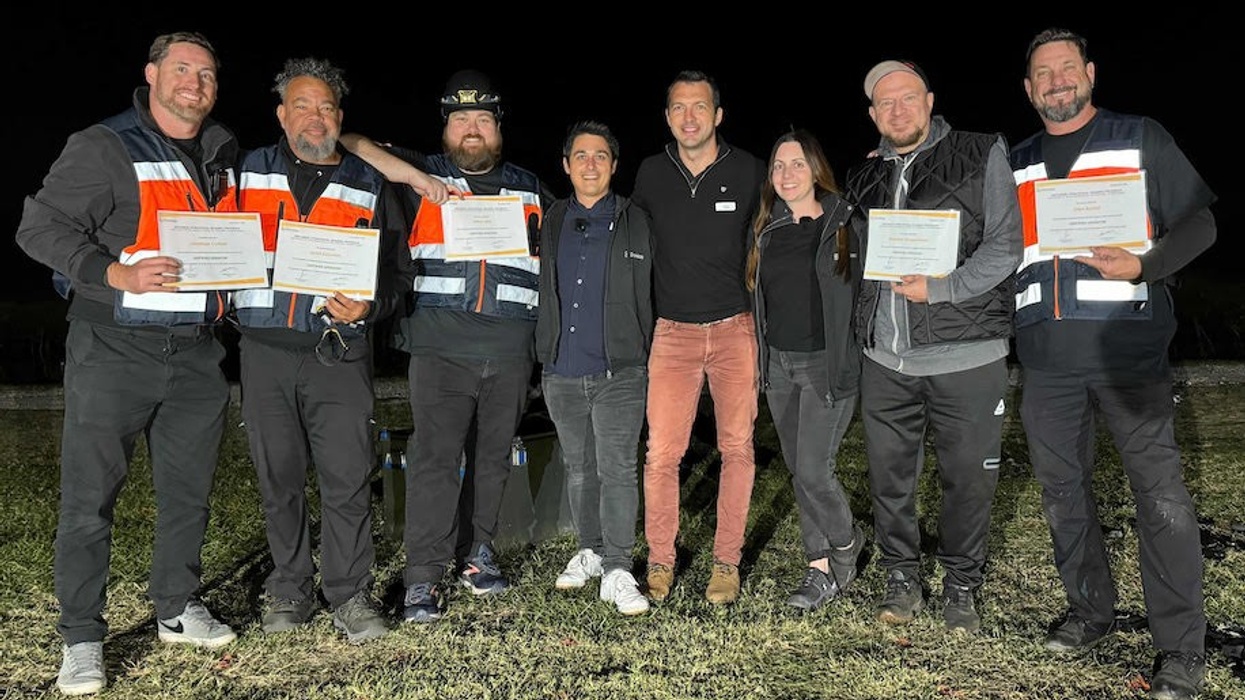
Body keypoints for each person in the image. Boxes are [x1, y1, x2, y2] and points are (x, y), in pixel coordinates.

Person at [16, 31, 239, 696]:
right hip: (114, 347)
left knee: (187, 496)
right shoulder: (104, 144)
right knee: (89, 502)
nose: (194, 82)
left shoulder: (223, 151)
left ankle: (176, 607)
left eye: (206, 72)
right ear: (152, 74)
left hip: (198, 352)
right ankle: (82, 637)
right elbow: (39, 228)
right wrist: (114, 272)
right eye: (181, 69)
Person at [1011, 29, 1217, 700]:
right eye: (1043, 73)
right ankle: (1090, 612)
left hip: (1127, 352)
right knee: (1062, 494)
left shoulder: (1138, 137)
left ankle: (1180, 650)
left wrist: (1146, 264)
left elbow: (1200, 223)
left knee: (1158, 497)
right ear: (1027, 88)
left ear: (1089, 73)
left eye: (1066, 67)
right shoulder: (1014, 162)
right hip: (1044, 360)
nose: (1056, 80)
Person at [339, 69, 555, 623]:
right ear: (446, 128)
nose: (472, 129)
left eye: (484, 118)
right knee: (435, 460)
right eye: (461, 119)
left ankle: (478, 553)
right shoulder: (423, 174)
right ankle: (423, 577)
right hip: (439, 347)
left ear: (499, 127)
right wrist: (413, 177)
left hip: (510, 348)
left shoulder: (530, 186)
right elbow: (350, 141)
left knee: (492, 458)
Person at [232, 57, 414, 644]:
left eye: (328, 107)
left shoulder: (369, 181)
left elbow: (401, 275)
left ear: (342, 117)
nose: (317, 117)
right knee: (278, 476)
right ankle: (289, 587)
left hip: (340, 352)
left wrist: (371, 307)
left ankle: (349, 594)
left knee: (346, 477)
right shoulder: (243, 172)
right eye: (303, 106)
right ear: (282, 114)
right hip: (263, 349)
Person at [846, 60, 1022, 633]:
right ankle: (901, 576)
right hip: (885, 360)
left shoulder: (979, 152)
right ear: (873, 115)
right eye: (884, 103)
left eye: (908, 98)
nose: (897, 110)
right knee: (888, 477)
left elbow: (1004, 247)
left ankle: (961, 583)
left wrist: (943, 289)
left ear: (929, 101)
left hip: (966, 355)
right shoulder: (865, 176)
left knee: (968, 478)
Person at [632, 70, 767, 605]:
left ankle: (726, 563)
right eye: (678, 108)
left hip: (735, 329)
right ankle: (661, 560)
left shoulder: (751, 169)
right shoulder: (649, 174)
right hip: (673, 333)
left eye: (700, 107)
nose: (690, 117)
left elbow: (793, 209)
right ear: (668, 117)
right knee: (662, 453)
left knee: (737, 448)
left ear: (718, 115)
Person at [537, 120, 653, 616]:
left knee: (617, 469)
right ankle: (589, 549)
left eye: (600, 155)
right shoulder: (551, 219)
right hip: (561, 368)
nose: (590, 163)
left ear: (614, 165)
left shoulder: (638, 221)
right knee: (580, 468)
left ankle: (619, 566)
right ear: (565, 165)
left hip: (620, 371)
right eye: (580, 155)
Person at [746, 129, 865, 611]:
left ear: (815, 169)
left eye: (796, 164)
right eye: (778, 166)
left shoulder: (846, 222)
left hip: (825, 365)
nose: (786, 174)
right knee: (800, 471)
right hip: (779, 366)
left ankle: (844, 542)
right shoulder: (765, 230)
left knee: (815, 469)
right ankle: (819, 570)